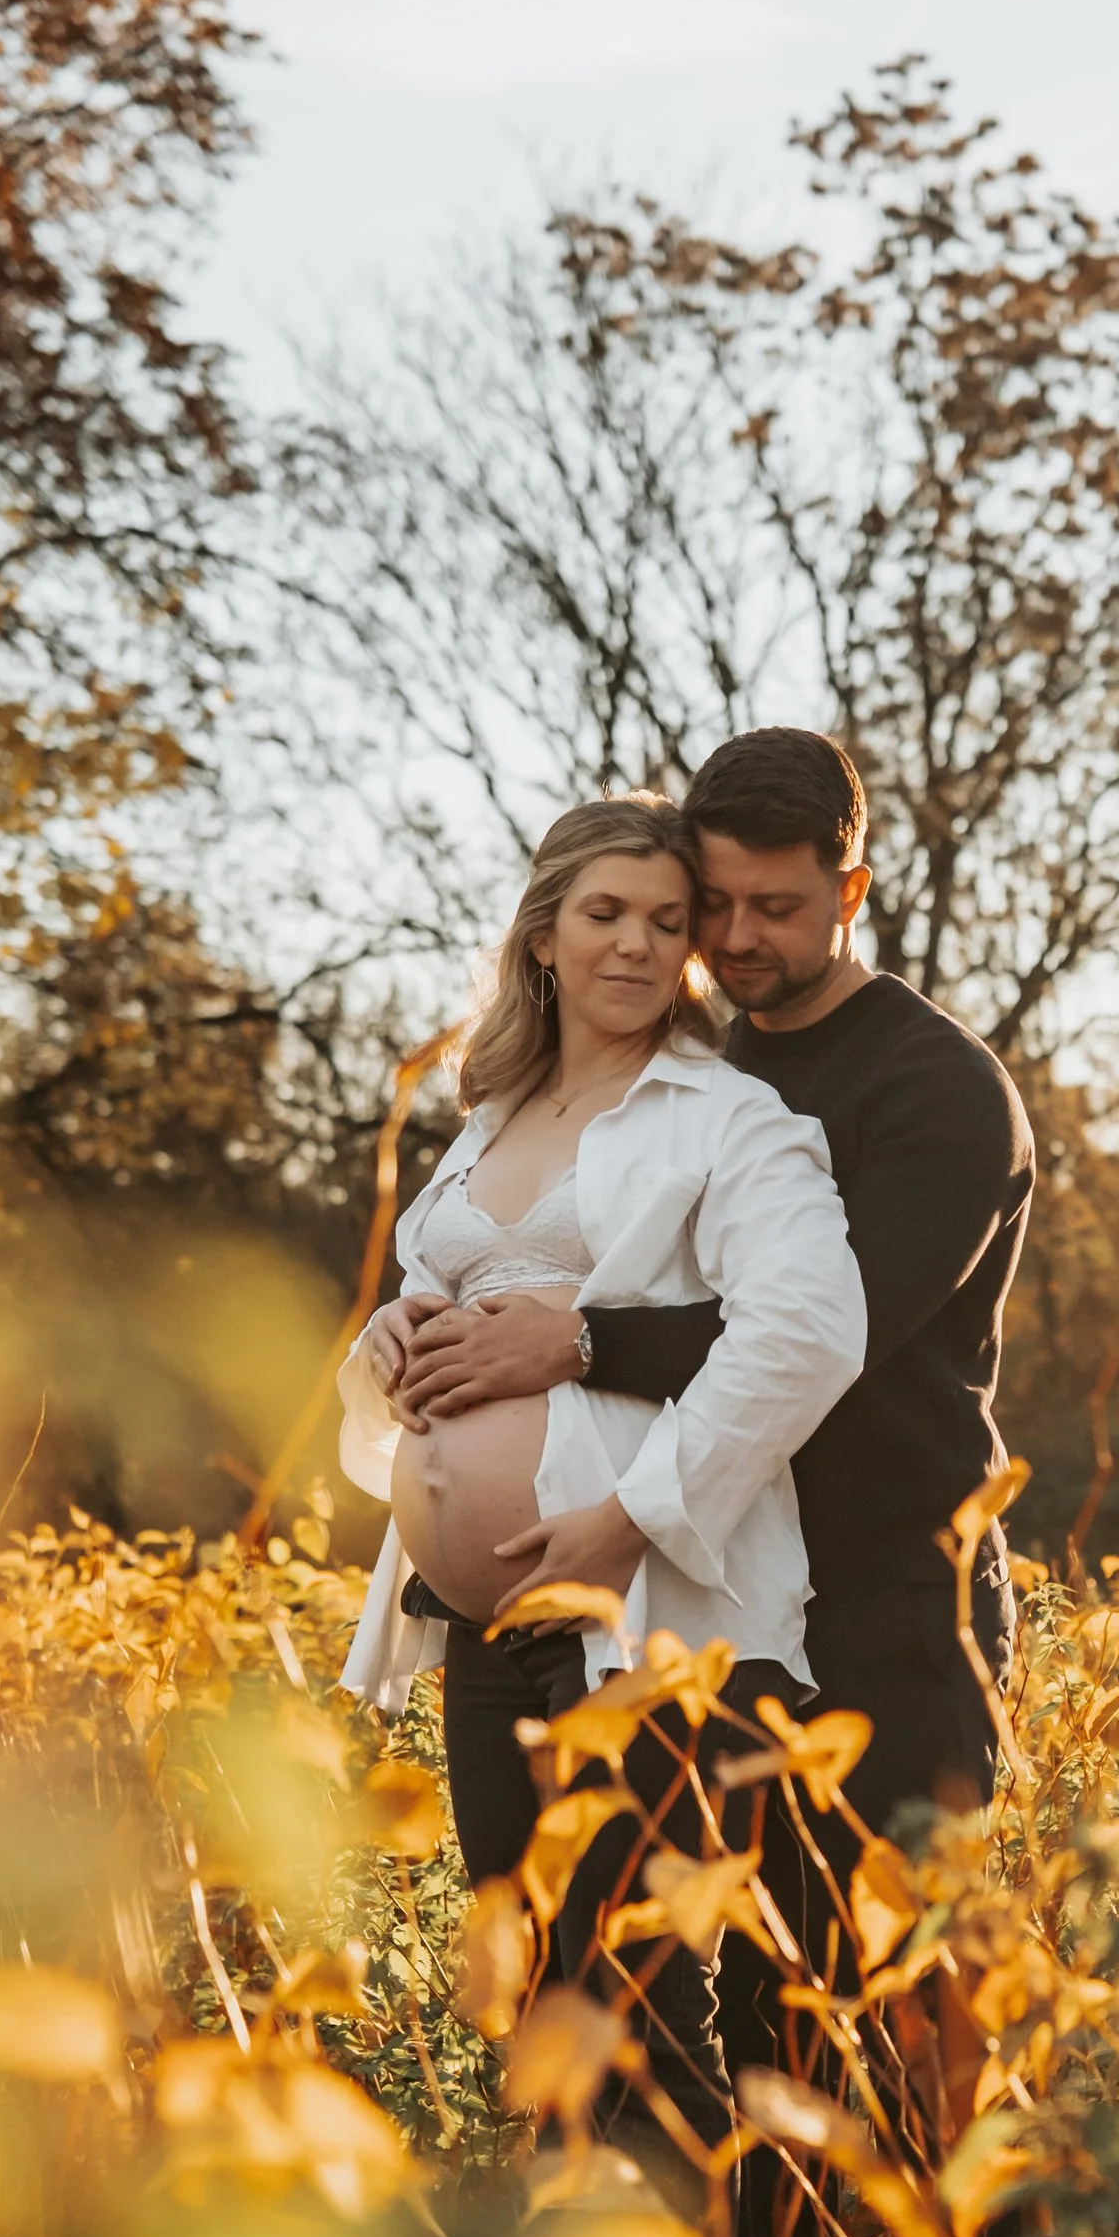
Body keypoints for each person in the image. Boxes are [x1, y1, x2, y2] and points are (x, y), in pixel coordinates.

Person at [392, 729, 1036, 1839]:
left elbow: (836, 1330)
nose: (736, 937)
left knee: (865, 1987)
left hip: (892, 1591)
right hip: (724, 1576)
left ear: (850, 892)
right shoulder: (699, 1071)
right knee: (721, 1977)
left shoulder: (937, 1087)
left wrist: (580, 1343)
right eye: (715, 901)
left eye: (776, 907)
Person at [337, 794, 865, 2135]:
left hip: (643, 1621)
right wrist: (394, 1331)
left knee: (635, 2002)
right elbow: (429, 1303)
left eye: (667, 922)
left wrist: (631, 1518)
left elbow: (810, 1328)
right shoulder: (488, 1117)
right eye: (607, 913)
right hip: (475, 1622)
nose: (639, 944)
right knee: (532, 1997)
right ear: (546, 935)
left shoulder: (726, 1116)